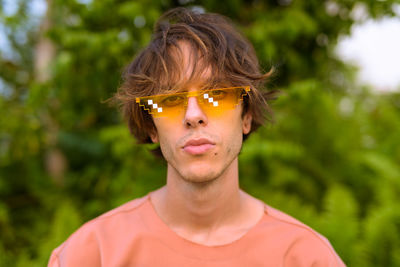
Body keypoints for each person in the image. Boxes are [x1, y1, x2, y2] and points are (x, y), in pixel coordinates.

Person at [48, 7, 346, 267]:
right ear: (151, 126)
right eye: (170, 99)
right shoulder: (91, 254)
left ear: (246, 116)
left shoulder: (306, 257)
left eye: (217, 94)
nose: (193, 114)